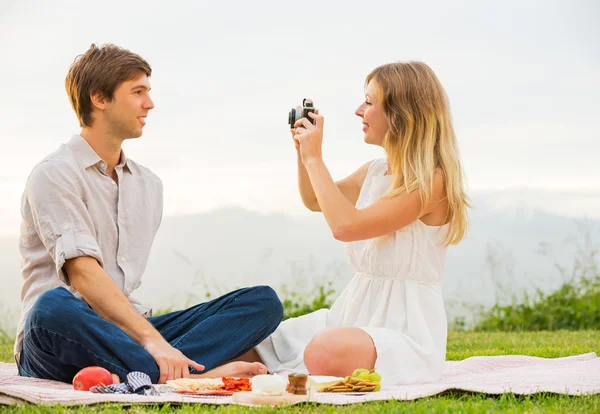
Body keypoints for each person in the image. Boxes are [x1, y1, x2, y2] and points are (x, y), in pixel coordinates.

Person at [15, 43, 283, 385]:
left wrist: (149, 337)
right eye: (138, 92)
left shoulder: (148, 185)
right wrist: (153, 341)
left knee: (262, 302)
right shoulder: (54, 173)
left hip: (127, 333)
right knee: (52, 307)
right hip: (60, 333)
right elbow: (82, 274)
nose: (150, 104)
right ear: (99, 98)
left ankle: (158, 371)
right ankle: (194, 374)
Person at [253, 61, 469, 385]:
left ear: (401, 114)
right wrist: (303, 151)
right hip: (352, 315)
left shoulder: (430, 183)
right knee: (259, 341)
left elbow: (345, 226)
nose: (359, 111)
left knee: (324, 349)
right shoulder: (374, 172)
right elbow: (315, 200)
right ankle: (237, 368)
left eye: (369, 102)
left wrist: (316, 158)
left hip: (404, 336)